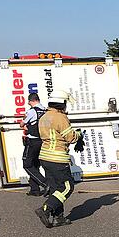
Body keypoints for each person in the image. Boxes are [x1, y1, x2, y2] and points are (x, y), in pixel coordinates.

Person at [36, 90, 84, 228]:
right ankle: (46, 209)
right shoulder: (60, 117)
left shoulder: (44, 116)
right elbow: (70, 137)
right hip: (57, 158)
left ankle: (59, 217)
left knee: (55, 188)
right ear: (62, 103)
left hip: (45, 157)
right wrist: (79, 134)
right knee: (67, 187)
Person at [20, 93, 47, 196]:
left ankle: (45, 184)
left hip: (32, 141)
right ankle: (34, 189)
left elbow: (22, 124)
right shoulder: (45, 110)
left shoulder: (31, 111)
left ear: (31, 101)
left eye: (29, 102)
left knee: (27, 164)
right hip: (42, 140)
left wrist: (25, 126)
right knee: (35, 164)